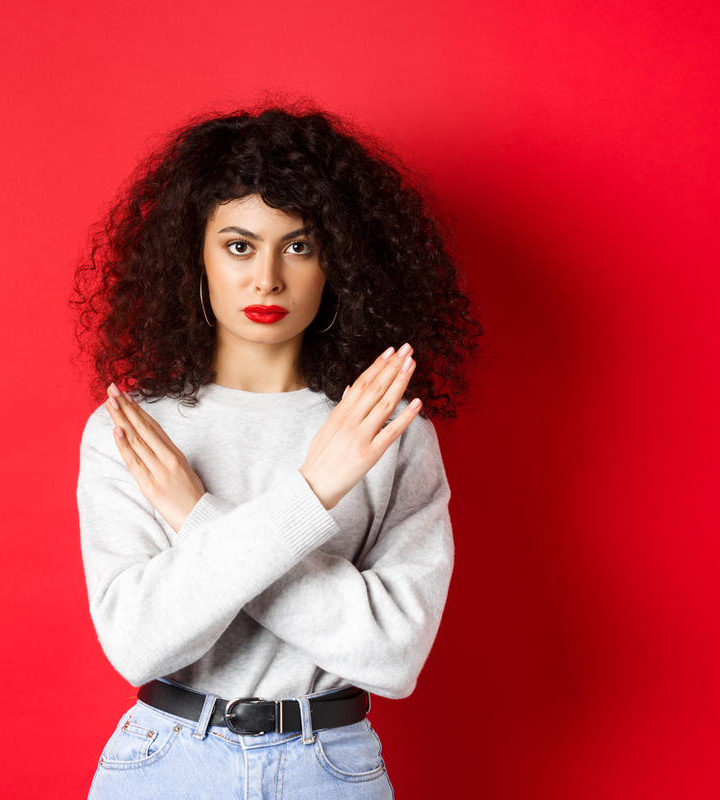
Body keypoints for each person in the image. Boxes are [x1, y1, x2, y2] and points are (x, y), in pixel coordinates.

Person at [72, 105, 480, 799]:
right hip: (168, 764)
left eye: (298, 246)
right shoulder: (136, 429)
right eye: (238, 246)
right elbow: (140, 645)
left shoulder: (386, 429)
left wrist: (198, 517)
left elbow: (393, 655)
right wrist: (310, 495)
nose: (267, 278)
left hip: (331, 767)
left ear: (337, 262)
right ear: (193, 255)